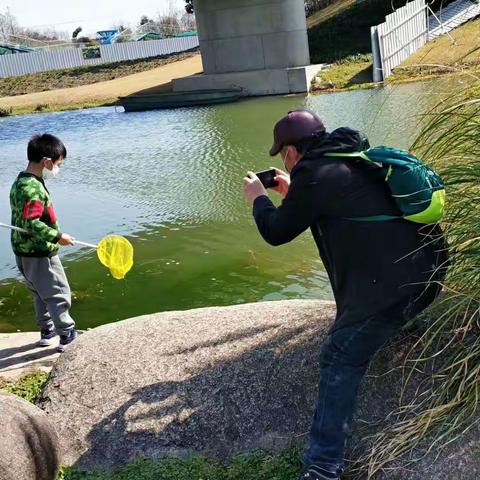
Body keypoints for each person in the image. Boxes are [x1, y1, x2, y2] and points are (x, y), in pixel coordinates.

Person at [243, 110, 448, 480]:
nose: (284, 161)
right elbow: (338, 212)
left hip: (396, 290)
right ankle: (395, 324)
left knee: (339, 355)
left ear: (290, 152)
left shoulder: (314, 175)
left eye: (283, 153)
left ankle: (322, 467)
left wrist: (259, 197)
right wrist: (294, 194)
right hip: (428, 278)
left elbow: (275, 231)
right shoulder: (350, 159)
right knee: (357, 330)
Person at [10, 133, 78, 353]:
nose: (58, 167)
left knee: (39, 292)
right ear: (46, 160)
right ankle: (67, 334)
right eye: (58, 163)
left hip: (22, 251)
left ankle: (47, 332)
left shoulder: (20, 181)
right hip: (39, 252)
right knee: (57, 292)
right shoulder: (33, 189)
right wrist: (58, 236)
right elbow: (32, 223)